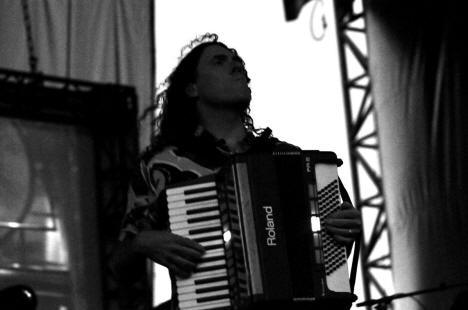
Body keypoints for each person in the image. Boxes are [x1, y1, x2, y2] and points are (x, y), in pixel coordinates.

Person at [110, 33, 362, 310]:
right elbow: (120, 267)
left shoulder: (290, 157)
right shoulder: (163, 165)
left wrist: (343, 229)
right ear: (192, 88)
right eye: (220, 61)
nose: (236, 65)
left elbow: (329, 260)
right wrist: (141, 243)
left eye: (238, 60)